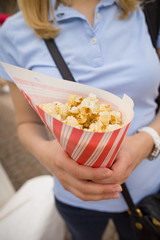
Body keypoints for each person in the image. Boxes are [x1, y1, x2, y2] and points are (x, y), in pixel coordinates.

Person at [0, 0, 160, 239]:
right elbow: (27, 123)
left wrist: (146, 140)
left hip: (150, 188)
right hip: (74, 196)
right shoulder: (13, 33)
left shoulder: (149, 10)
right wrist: (48, 155)